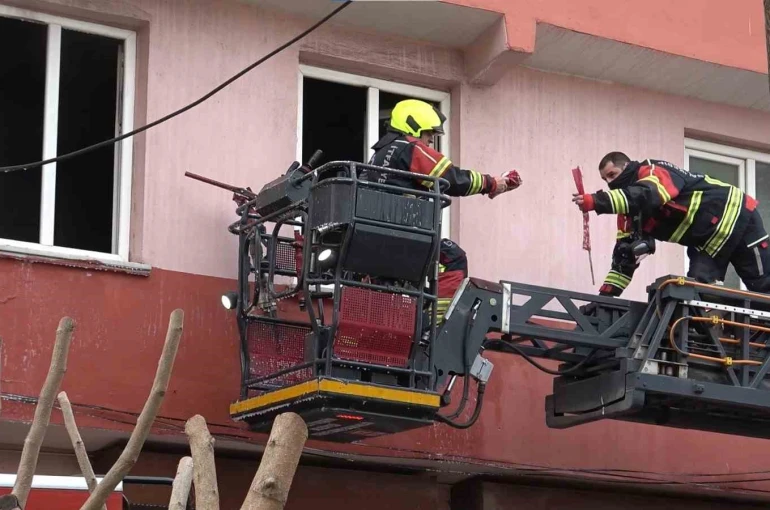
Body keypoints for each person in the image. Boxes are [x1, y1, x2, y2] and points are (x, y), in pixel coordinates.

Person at [362, 98, 522, 319]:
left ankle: (410, 313)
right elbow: (451, 177)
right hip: (402, 236)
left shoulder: (377, 156)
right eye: (428, 133)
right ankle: (439, 324)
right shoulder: (409, 148)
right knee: (453, 257)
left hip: (375, 240)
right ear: (413, 126)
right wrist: (492, 183)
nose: (430, 141)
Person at [572, 151, 770, 296]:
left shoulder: (652, 171)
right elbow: (624, 257)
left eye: (612, 174)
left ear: (626, 166)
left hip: (737, 214)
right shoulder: (628, 214)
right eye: (605, 179)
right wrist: (605, 299)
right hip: (709, 239)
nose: (609, 183)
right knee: (699, 292)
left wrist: (595, 201)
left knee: (762, 283)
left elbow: (647, 195)